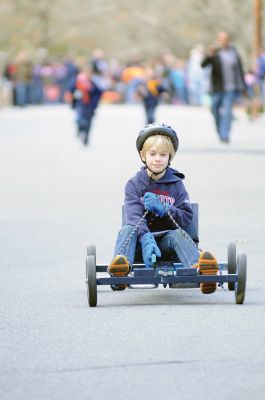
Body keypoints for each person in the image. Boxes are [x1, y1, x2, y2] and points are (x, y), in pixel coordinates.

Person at [107, 122, 219, 294]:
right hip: (140, 242)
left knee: (178, 234)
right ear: (143, 155)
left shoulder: (177, 184)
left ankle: (202, 271)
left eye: (163, 154)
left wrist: (165, 209)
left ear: (169, 158)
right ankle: (121, 267)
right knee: (127, 229)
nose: (157, 158)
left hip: (168, 243)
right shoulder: (134, 184)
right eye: (152, 154)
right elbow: (134, 215)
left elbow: (186, 218)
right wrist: (145, 238)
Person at [201, 31, 246, 143]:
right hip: (217, 88)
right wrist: (210, 55)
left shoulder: (234, 53)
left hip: (231, 88)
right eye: (221, 39)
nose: (223, 41)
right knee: (214, 109)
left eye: (225, 39)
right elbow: (203, 65)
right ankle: (220, 130)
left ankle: (225, 134)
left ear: (228, 40)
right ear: (219, 40)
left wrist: (242, 87)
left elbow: (239, 71)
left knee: (227, 111)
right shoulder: (215, 53)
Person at [68, 66, 104, 145]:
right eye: (86, 73)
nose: (88, 75)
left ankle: (86, 138)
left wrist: (95, 101)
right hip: (80, 104)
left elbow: (99, 92)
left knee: (89, 123)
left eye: (89, 73)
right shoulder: (77, 81)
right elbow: (70, 91)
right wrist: (74, 96)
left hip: (90, 106)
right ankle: (80, 130)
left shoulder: (92, 83)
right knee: (79, 120)